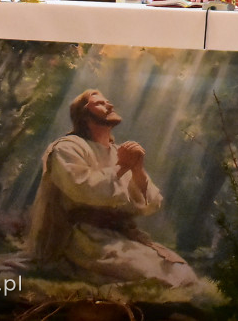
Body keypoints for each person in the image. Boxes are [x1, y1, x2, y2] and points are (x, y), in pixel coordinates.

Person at [28, 89, 198, 287]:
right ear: (84, 115)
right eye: (100, 103)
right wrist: (122, 166)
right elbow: (83, 189)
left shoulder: (118, 152)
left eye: (108, 102)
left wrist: (137, 170)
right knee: (159, 278)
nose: (110, 105)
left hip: (119, 236)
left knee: (182, 273)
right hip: (84, 239)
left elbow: (150, 205)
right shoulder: (67, 148)